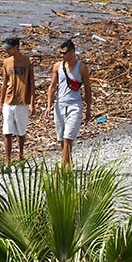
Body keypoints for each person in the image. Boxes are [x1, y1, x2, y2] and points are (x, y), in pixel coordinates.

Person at [43, 38, 92, 169]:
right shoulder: (57, 67)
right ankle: (68, 164)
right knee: (61, 138)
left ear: (72, 52)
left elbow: (87, 87)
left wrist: (88, 109)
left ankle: (63, 166)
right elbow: (52, 86)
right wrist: (48, 106)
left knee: (68, 137)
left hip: (74, 105)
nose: (62, 56)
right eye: (60, 53)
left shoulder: (81, 67)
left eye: (64, 53)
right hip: (60, 105)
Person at [0, 36, 34, 167]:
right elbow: (4, 83)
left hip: (22, 102)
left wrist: (32, 104)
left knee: (21, 132)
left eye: (9, 48)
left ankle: (21, 156)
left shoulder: (27, 61)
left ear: (16, 47)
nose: (7, 51)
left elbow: (31, 83)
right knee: (7, 132)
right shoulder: (6, 62)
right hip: (8, 100)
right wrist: (0, 104)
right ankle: (7, 161)